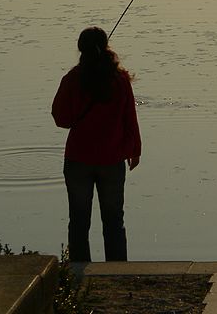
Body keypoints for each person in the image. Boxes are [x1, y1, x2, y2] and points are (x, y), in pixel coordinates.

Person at [52, 26, 142, 262]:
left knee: (79, 221)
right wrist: (135, 149)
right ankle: (117, 272)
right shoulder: (120, 80)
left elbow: (61, 119)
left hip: (78, 160)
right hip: (112, 160)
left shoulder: (72, 79)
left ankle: (79, 273)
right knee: (114, 221)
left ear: (80, 49)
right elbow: (129, 117)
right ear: (106, 47)